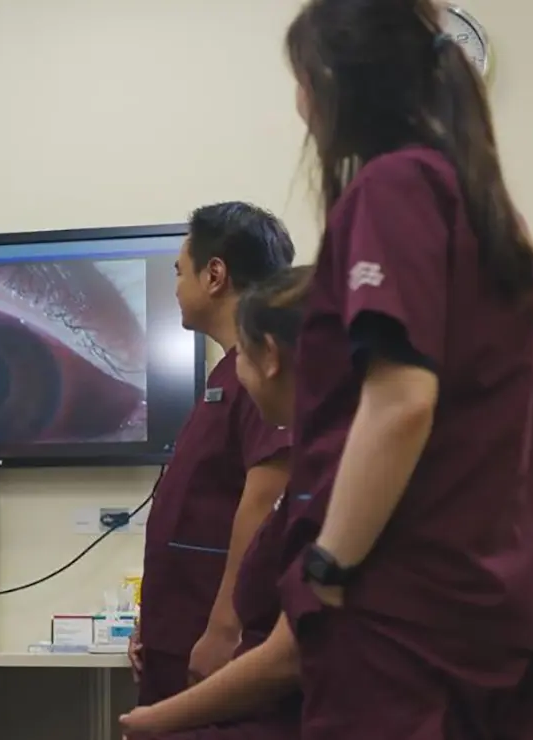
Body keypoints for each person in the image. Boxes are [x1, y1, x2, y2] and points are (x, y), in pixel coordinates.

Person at [117, 271, 533, 738]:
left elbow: (290, 654)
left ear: (271, 358)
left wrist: (154, 720)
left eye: (244, 359)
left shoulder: (341, 479)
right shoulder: (356, 465)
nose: (240, 377)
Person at [275, 1, 533, 737]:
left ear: (326, 81)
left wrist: (329, 567)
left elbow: (402, 401)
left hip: (402, 624)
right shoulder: (480, 206)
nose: (297, 103)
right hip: (490, 618)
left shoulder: (392, 187)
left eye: (297, 80)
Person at [133, 202, 296, 705]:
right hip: (176, 632)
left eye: (180, 272)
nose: (176, 287)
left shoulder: (263, 372)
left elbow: (264, 496)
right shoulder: (225, 378)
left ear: (215, 275)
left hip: (212, 640)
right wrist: (150, 618)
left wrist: (226, 628)